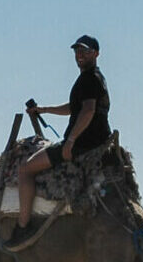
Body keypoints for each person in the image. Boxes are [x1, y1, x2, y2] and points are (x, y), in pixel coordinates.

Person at [9, 36, 111, 247]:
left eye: (84, 51)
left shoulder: (89, 78)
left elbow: (88, 110)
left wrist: (70, 141)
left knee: (25, 170)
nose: (79, 55)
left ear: (96, 53)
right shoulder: (94, 79)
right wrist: (44, 110)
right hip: (96, 142)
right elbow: (76, 107)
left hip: (83, 145)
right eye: (77, 51)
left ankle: (23, 227)